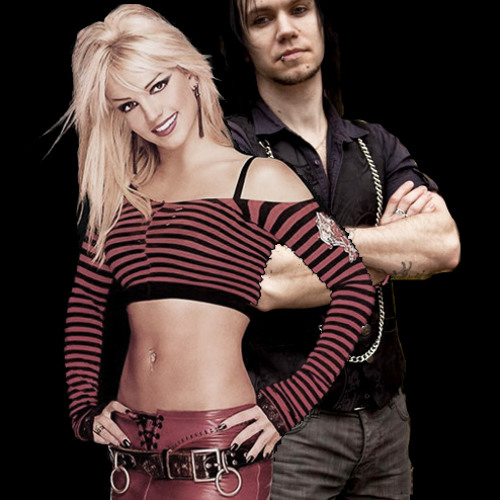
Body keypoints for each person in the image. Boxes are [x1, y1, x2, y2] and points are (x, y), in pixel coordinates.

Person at [59, 4, 376, 499]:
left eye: (158, 85)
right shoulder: (121, 194)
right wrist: (83, 410)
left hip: (216, 448)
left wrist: (289, 403)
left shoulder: (259, 181)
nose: (152, 114)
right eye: (127, 105)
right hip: (128, 452)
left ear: (189, 73)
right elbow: (84, 307)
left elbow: (353, 285)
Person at [220, 0, 461, 498]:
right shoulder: (231, 149)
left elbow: (443, 244)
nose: (286, 30)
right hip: (285, 430)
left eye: (298, 10)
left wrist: (312, 255)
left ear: (321, 22)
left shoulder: (377, 145)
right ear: (243, 45)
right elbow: (264, 280)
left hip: (388, 420)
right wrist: (385, 252)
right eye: (262, 19)